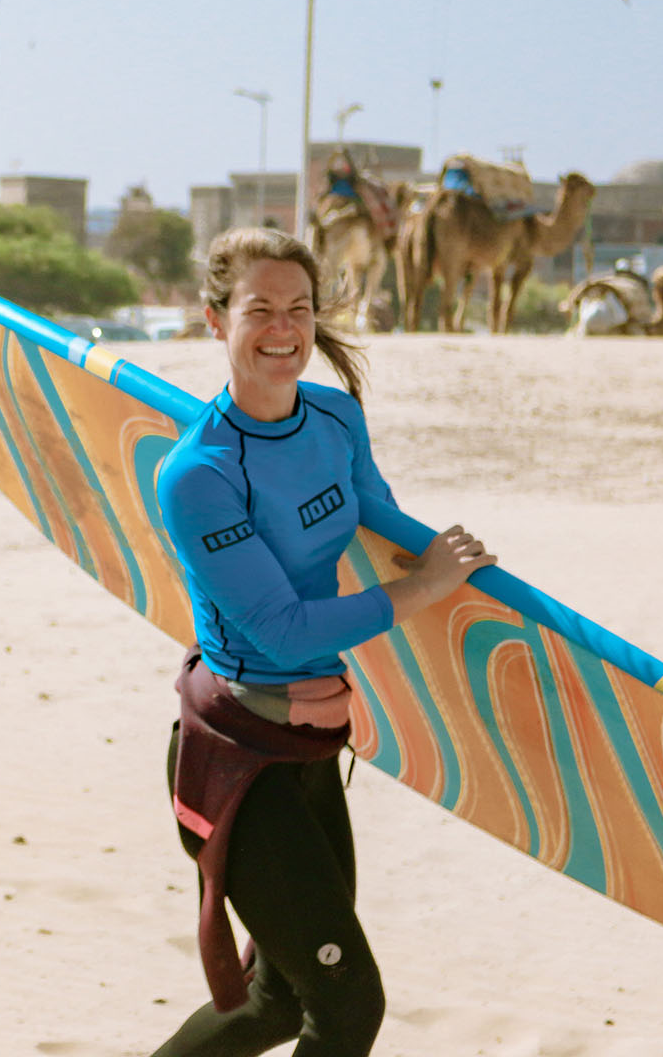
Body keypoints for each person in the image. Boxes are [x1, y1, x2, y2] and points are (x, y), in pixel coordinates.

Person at [151, 227, 496, 1057]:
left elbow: (376, 515)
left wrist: (483, 581)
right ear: (214, 320)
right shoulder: (199, 474)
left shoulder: (335, 417)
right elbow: (279, 626)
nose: (283, 328)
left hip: (310, 748)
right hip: (240, 754)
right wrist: (420, 591)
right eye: (259, 309)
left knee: (275, 1001)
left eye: (299, 308)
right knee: (349, 1009)